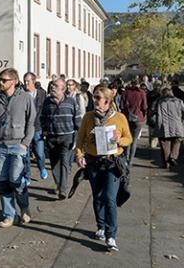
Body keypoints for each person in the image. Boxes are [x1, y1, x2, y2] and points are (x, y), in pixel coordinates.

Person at [75, 85, 132, 252]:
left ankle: (111, 235)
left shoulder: (119, 118)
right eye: (94, 98)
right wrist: (79, 155)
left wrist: (119, 140)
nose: (96, 102)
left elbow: (128, 138)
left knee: (109, 198)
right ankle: (100, 225)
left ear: (108, 101)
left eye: (99, 98)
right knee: (98, 196)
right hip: (94, 162)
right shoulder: (88, 117)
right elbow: (80, 139)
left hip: (112, 163)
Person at [0, 68, 35, 228]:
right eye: (0, 79)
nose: (1, 82)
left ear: (14, 81)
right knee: (2, 182)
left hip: (18, 145)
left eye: (4, 80)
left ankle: (24, 208)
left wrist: (25, 143)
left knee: (16, 181)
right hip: (0, 146)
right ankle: (9, 215)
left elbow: (31, 122)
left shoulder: (25, 98)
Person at [41, 78, 82, 200]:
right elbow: (42, 117)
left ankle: (63, 189)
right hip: (52, 137)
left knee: (64, 162)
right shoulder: (47, 102)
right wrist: (44, 130)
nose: (53, 87)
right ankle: (59, 184)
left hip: (67, 137)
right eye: (52, 85)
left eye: (56, 85)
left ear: (63, 89)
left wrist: (79, 135)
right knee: (54, 163)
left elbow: (77, 119)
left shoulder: (71, 101)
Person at [150, 87, 184, 168]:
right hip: (177, 125)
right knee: (177, 141)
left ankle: (166, 164)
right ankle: (173, 157)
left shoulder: (158, 101)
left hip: (163, 126)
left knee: (165, 144)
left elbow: (151, 111)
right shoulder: (178, 101)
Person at [23, 72, 48, 180]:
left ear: (33, 81)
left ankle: (42, 167)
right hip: (25, 129)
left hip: (38, 127)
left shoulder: (42, 94)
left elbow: (46, 111)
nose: (26, 83)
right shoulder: (22, 94)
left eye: (28, 81)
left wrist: (46, 127)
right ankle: (27, 176)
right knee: (25, 154)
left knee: (39, 152)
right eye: (24, 81)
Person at [120, 79, 148, 167]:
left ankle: (126, 158)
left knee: (127, 138)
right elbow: (144, 106)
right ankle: (130, 161)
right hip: (139, 118)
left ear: (131, 84)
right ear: (138, 84)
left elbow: (121, 106)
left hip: (127, 118)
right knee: (134, 139)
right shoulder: (142, 93)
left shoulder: (126, 92)